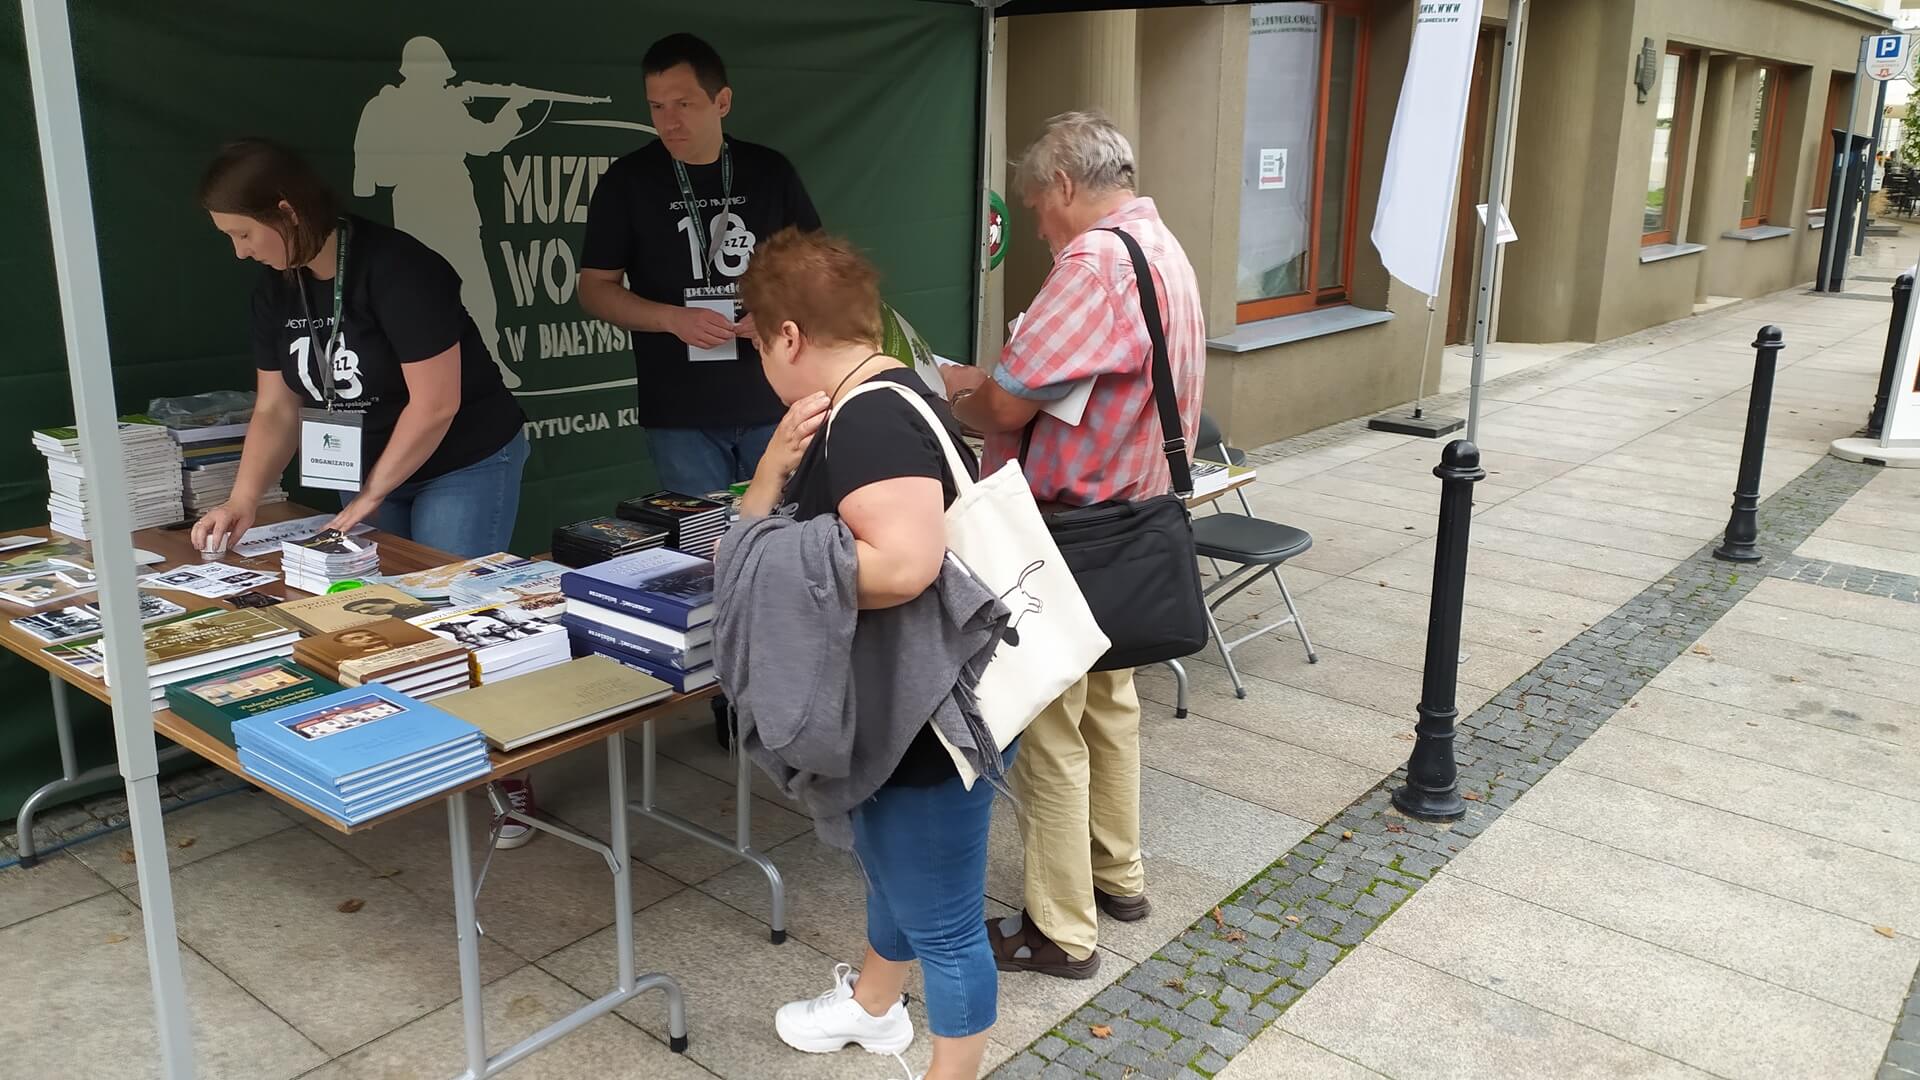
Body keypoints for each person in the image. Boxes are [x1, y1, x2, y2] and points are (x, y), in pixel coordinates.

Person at [193, 138, 536, 848]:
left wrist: (373, 492)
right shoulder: (276, 289)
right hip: (370, 475)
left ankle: (509, 776)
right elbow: (276, 409)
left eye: (243, 234)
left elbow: (436, 404)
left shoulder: (401, 268)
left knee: (453, 616)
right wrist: (244, 498)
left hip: (459, 460)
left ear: (285, 212)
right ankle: (412, 758)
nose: (238, 252)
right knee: (374, 621)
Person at [732, 229, 1004, 1080]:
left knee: (952, 927)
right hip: (930, 702)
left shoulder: (868, 422)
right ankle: (873, 1009)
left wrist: (776, 545)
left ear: (787, 336)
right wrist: (774, 471)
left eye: (757, 342)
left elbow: (905, 564)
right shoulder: (892, 392)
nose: (762, 363)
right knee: (896, 873)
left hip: (926, 721)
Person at [942, 111, 1205, 979]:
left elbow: (1009, 403)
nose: (1039, 231)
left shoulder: (1092, 265)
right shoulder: (1162, 246)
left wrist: (951, 387)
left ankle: (1061, 931)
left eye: (1035, 207)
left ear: (1062, 186)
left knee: (1051, 728)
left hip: (1070, 530)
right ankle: (1117, 877)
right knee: (1111, 705)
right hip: (1131, 524)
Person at [578, 32, 821, 496]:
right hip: (680, 412)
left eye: (683, 104)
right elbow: (595, 288)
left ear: (722, 101)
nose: (669, 122)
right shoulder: (627, 181)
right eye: (656, 107)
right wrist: (671, 318)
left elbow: (817, 270)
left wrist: (775, 313)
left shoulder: (770, 171)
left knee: (786, 536)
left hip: (776, 397)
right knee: (700, 551)